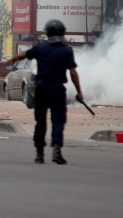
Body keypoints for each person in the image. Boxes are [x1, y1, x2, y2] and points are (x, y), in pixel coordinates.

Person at [8, 19, 84, 165]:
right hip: (57, 90)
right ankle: (56, 151)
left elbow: (23, 55)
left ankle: (39, 153)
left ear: (47, 32)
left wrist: (11, 60)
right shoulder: (66, 50)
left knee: (40, 122)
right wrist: (79, 92)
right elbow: (73, 73)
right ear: (62, 32)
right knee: (58, 121)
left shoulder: (40, 48)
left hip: (42, 89)